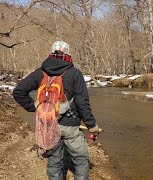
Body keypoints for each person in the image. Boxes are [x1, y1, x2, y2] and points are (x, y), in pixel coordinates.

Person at [13, 41, 100, 180]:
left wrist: (32, 106)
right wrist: (91, 125)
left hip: (48, 123)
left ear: (51, 53)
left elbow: (18, 91)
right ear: (67, 53)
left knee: (54, 160)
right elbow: (82, 102)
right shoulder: (75, 73)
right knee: (81, 159)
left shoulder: (40, 72)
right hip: (70, 126)